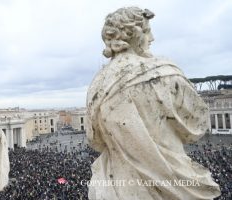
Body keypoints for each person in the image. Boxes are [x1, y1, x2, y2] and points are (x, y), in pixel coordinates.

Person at [86, 7, 221, 200]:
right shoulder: (164, 72)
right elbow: (197, 125)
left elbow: (95, 140)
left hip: (116, 188)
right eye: (148, 31)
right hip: (171, 184)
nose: (152, 38)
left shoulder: (96, 85)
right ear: (135, 34)